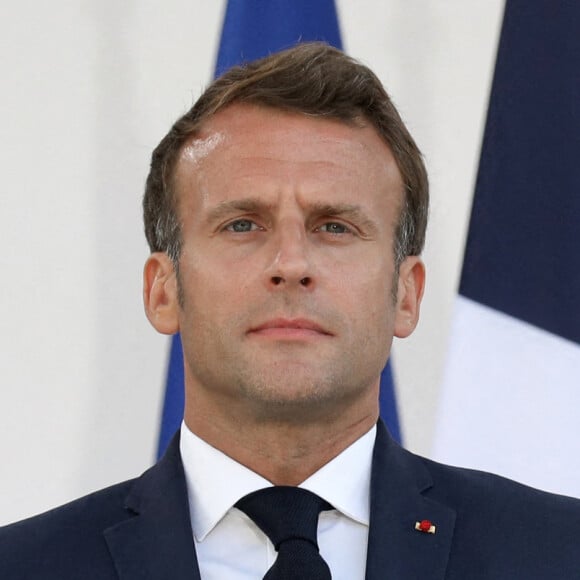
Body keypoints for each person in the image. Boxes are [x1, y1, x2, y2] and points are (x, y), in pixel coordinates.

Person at [1, 42, 579, 580]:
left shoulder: (557, 552)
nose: (291, 262)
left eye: (334, 226)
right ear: (163, 290)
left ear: (406, 295)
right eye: (242, 224)